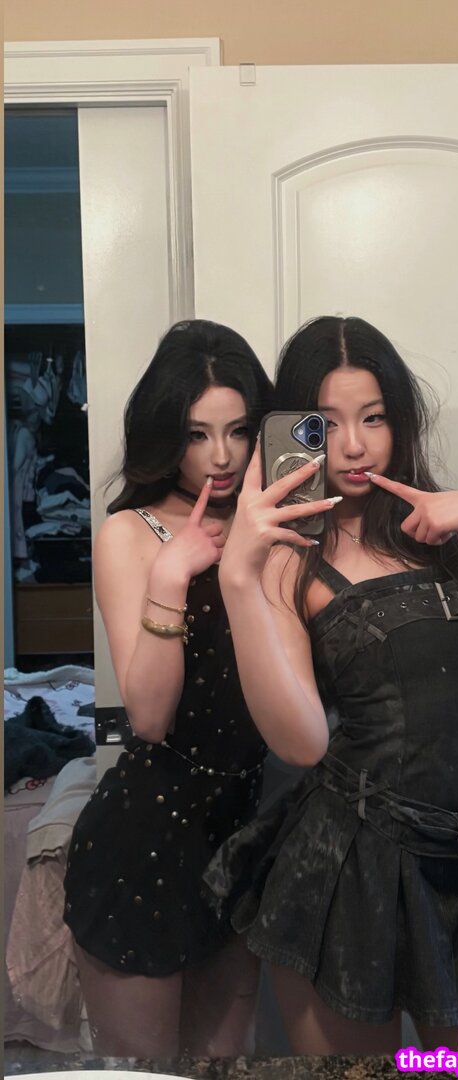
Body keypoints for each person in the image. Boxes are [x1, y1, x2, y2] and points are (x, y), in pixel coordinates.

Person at [206, 315, 458, 1055]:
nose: (354, 445)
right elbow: (301, 742)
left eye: (374, 417)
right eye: (326, 424)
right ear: (293, 429)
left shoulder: (456, 529)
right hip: (347, 868)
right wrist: (238, 573)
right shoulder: (288, 557)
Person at [63, 319, 276, 1058]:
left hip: (246, 834)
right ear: (164, 434)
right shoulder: (131, 533)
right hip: (145, 840)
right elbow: (149, 717)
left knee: (225, 1064)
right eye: (196, 434)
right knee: (145, 1074)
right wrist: (171, 575)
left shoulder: (270, 525)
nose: (221, 456)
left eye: (239, 430)